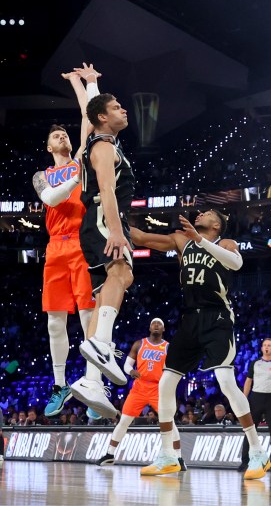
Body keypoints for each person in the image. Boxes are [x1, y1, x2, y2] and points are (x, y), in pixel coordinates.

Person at [130, 211, 270, 479]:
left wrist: (202, 241)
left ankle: (257, 452)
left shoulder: (225, 243)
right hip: (189, 318)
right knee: (165, 383)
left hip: (217, 317)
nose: (201, 213)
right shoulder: (182, 241)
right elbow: (141, 237)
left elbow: (237, 264)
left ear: (216, 225)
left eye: (207, 213)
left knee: (226, 382)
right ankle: (169, 455)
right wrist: (109, 218)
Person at [32, 64, 100, 418]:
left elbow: (88, 117)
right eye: (55, 135)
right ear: (48, 146)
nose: (61, 135)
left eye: (65, 134)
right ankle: (60, 385)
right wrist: (78, 177)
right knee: (54, 322)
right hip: (55, 249)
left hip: (80, 243)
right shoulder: (43, 175)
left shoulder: (78, 160)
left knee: (88, 316)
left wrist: (82, 83)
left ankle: (90, 383)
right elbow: (51, 200)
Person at [70, 89, 135, 417]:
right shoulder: (104, 145)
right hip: (101, 219)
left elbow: (90, 111)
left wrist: (91, 84)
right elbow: (107, 190)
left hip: (101, 220)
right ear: (102, 118)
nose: (123, 109)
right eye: (116, 107)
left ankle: (91, 380)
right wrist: (115, 230)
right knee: (120, 273)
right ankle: (99, 345)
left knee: (109, 292)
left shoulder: (106, 142)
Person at [95, 318, 186, 471]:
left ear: (163, 329)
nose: (156, 325)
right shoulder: (139, 344)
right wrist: (131, 371)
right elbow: (126, 365)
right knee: (123, 421)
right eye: (153, 324)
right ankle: (109, 455)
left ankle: (178, 458)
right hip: (139, 388)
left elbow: (172, 369)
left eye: (159, 324)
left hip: (159, 389)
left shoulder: (168, 347)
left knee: (170, 423)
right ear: (150, 328)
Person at [240, 338, 271, 473]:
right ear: (261, 348)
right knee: (249, 430)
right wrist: (244, 399)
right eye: (265, 345)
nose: (267, 347)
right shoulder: (255, 363)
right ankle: (245, 462)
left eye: (269, 345)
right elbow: (248, 382)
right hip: (256, 397)